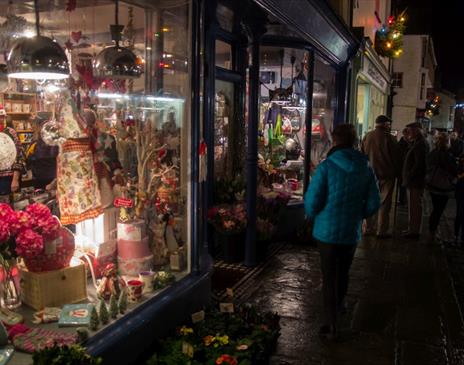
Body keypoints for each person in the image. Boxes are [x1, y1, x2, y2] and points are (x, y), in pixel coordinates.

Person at [304, 124, 380, 340]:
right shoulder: (365, 167)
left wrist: (311, 214)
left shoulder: (326, 167)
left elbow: (312, 199)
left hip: (326, 233)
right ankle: (339, 305)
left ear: (335, 141)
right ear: (354, 141)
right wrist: (359, 214)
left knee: (328, 276)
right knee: (343, 272)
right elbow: (374, 202)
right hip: (350, 232)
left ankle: (330, 323)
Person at [361, 115, 398, 238]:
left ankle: (368, 228)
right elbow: (395, 158)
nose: (389, 126)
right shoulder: (391, 139)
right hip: (387, 175)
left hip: (370, 175)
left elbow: (362, 155)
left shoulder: (367, 136)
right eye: (388, 124)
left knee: (370, 201)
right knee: (384, 203)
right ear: (385, 124)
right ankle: (381, 230)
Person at [425, 133, 457, 242]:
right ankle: (432, 233)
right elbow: (453, 171)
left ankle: (431, 232)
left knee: (435, 209)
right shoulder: (449, 156)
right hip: (444, 188)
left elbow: (427, 166)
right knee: (438, 210)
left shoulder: (433, 153)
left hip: (433, 185)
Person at [402, 122, 428, 239]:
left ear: (416, 131)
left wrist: (409, 175)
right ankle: (412, 229)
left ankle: (414, 231)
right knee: (413, 206)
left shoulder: (420, 144)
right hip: (414, 181)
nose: (408, 133)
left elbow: (419, 164)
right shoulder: (418, 142)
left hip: (415, 181)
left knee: (415, 206)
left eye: (410, 131)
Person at [26, 113, 59, 190]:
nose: (33, 126)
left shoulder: (51, 142)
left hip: (50, 181)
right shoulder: (36, 142)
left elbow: (29, 160)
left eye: (34, 124)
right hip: (40, 180)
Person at [0, 105, 24, 197]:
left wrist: (15, 178)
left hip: (8, 178)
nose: (0, 119)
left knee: (8, 207)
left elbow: (19, 156)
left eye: (2, 117)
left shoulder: (11, 133)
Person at [397, 127, 410, 205]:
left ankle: (403, 199)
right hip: (402, 167)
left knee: (403, 186)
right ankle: (402, 200)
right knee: (402, 185)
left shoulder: (402, 143)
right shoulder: (402, 143)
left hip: (403, 167)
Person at [454, 156, 464, 245]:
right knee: (459, 215)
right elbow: (457, 174)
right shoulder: (462, 159)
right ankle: (456, 236)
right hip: (461, 191)